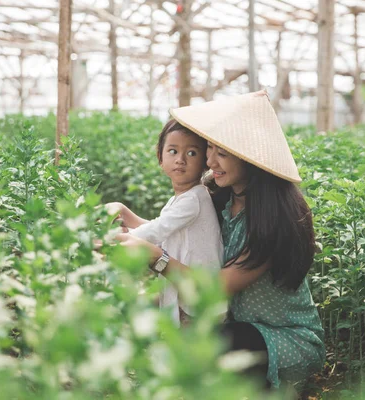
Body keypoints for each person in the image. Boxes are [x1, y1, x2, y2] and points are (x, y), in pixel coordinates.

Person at [116, 90, 325, 388]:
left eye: (222, 153)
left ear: (250, 157)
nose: (210, 161)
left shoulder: (273, 221)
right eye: (210, 149)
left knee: (196, 347)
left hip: (285, 338)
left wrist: (156, 258)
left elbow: (214, 289)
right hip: (237, 326)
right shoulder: (221, 198)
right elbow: (174, 234)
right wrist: (128, 218)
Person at [106, 119, 223, 327]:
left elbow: (158, 229)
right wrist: (126, 217)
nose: (180, 160)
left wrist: (113, 240)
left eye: (191, 153)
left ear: (205, 162)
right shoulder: (186, 197)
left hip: (198, 297)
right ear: (160, 158)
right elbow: (162, 228)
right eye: (172, 151)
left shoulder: (193, 199)